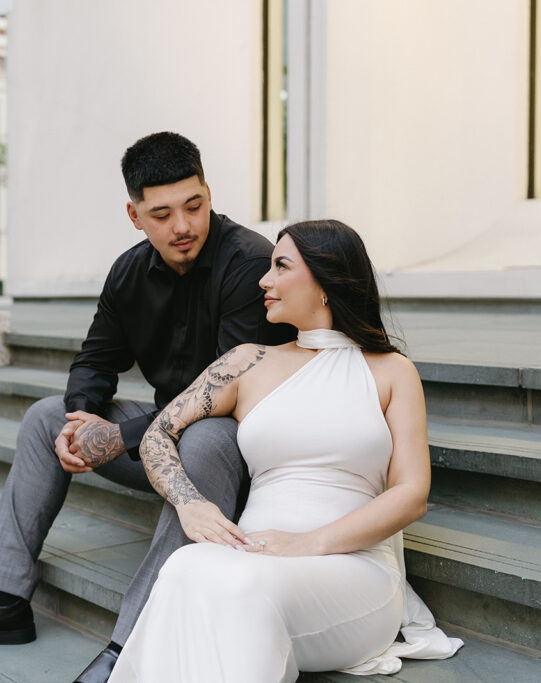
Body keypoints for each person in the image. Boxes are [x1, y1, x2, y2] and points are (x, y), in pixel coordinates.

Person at [0, 131, 293, 683]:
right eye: (162, 213)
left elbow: (219, 395)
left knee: (205, 436)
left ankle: (131, 646)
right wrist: (81, 418)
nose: (182, 226)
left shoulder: (249, 265)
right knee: (44, 417)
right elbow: (95, 359)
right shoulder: (129, 272)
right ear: (135, 215)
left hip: (236, 449)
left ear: (208, 192)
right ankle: (3, 598)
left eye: (194, 206)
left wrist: (121, 438)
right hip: (162, 441)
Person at [109, 220, 464, 682]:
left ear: (325, 283)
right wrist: (190, 503)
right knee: (183, 567)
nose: (264, 279)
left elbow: (412, 493)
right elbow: (159, 433)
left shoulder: (393, 372)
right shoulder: (248, 362)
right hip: (253, 553)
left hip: (351, 571)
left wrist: (306, 544)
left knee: (240, 587)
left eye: (280, 266)